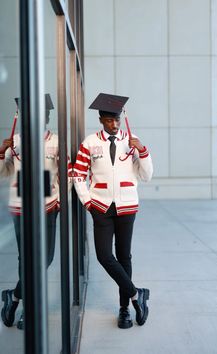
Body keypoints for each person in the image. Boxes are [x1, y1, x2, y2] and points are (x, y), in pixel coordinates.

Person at [73, 93, 153, 329]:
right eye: (109, 120)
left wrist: (143, 151)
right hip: (101, 207)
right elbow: (78, 174)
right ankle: (136, 294)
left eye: (117, 119)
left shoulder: (132, 140)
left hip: (127, 207)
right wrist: (88, 201)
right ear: (101, 120)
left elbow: (146, 176)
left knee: (124, 256)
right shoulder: (90, 143)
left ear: (121, 118)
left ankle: (124, 309)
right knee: (104, 255)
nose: (114, 124)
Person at [0, 94, 73, 330]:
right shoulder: (16, 140)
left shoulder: (56, 141)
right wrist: (2, 153)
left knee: (46, 258)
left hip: (48, 204)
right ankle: (27, 310)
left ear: (47, 116)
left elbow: (67, 176)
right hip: (21, 206)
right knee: (26, 260)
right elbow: (3, 172)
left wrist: (60, 200)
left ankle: (14, 296)